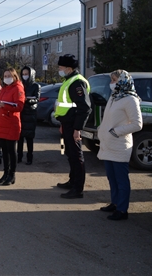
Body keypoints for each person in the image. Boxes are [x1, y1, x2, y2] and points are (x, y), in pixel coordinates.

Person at [97, 70, 142, 221]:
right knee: (112, 178)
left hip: (120, 145)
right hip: (108, 144)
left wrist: (116, 132)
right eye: (111, 80)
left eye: (114, 80)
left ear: (123, 81)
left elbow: (137, 124)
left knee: (121, 180)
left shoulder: (130, 99)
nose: (112, 83)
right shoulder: (115, 97)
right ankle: (115, 203)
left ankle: (122, 210)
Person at [54, 54, 91, 199]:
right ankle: (72, 180)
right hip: (66, 124)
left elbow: (85, 107)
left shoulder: (77, 82)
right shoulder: (69, 80)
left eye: (61, 67)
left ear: (68, 68)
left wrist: (77, 129)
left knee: (76, 156)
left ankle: (78, 189)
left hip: (73, 125)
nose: (59, 70)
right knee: (67, 152)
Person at [0, 67, 25, 186]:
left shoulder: (18, 88)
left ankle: (12, 174)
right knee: (4, 151)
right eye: (5, 76)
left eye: (9, 76)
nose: (7, 78)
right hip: (2, 123)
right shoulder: (4, 88)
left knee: (11, 150)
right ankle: (5, 173)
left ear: (14, 77)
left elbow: (19, 106)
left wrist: (4, 105)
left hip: (11, 123)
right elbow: (1, 105)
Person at [17, 66, 41, 165]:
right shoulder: (20, 85)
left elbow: (37, 99)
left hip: (30, 113)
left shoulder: (36, 86)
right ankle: (19, 156)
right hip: (21, 113)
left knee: (29, 138)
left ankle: (29, 157)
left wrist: (28, 100)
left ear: (31, 74)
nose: (24, 76)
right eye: (23, 74)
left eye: (26, 74)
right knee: (19, 137)